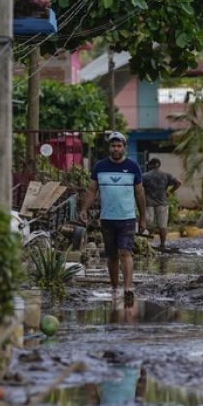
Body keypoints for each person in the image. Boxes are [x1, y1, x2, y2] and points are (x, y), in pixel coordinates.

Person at [80, 131, 146, 306]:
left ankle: (128, 287)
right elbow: (92, 190)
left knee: (125, 252)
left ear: (124, 147)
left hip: (127, 218)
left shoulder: (133, 167)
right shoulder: (99, 167)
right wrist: (84, 209)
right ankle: (115, 287)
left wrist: (143, 217)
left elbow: (139, 193)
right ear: (109, 148)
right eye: (113, 146)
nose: (116, 149)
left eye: (119, 146)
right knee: (112, 256)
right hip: (107, 218)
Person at [141, 157, 181, 251]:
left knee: (148, 225)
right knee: (162, 226)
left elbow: (139, 188)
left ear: (151, 165)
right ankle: (162, 244)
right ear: (159, 165)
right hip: (162, 203)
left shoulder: (145, 176)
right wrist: (169, 192)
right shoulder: (166, 175)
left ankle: (147, 245)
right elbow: (179, 183)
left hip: (149, 203)